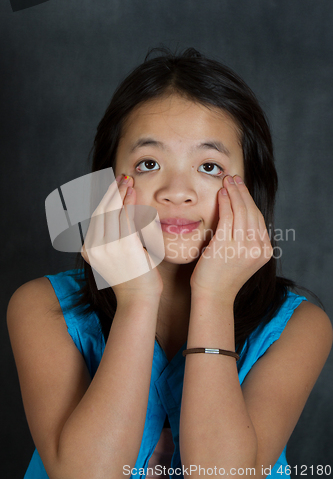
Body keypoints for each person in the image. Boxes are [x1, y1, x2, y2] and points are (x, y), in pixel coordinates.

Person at [7, 48, 332, 479]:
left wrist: (214, 298)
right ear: (105, 181)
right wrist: (137, 298)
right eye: (148, 163)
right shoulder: (41, 308)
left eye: (209, 166)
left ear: (250, 187)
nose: (177, 191)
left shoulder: (299, 327)